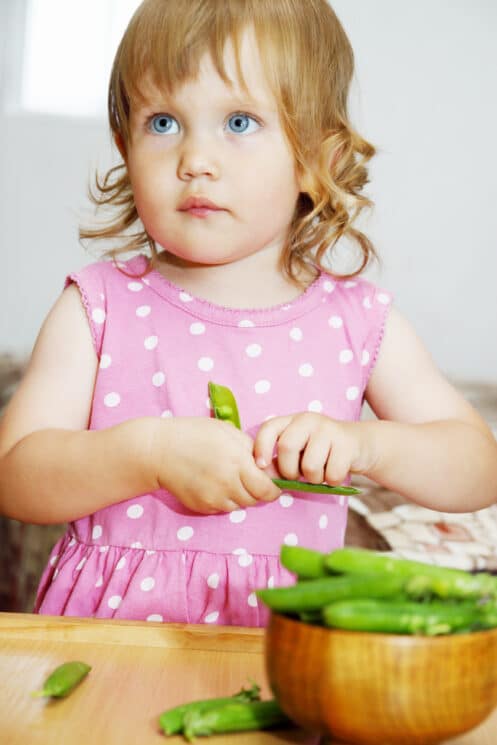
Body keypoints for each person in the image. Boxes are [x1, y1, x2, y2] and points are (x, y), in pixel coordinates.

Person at [0, 0, 496, 627]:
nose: (194, 159)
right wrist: (146, 452)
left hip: (283, 652)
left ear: (321, 158)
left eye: (238, 122)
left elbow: (478, 469)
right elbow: (15, 478)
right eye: (162, 122)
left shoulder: (359, 321)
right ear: (125, 146)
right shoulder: (95, 307)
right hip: (103, 646)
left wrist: (364, 444)